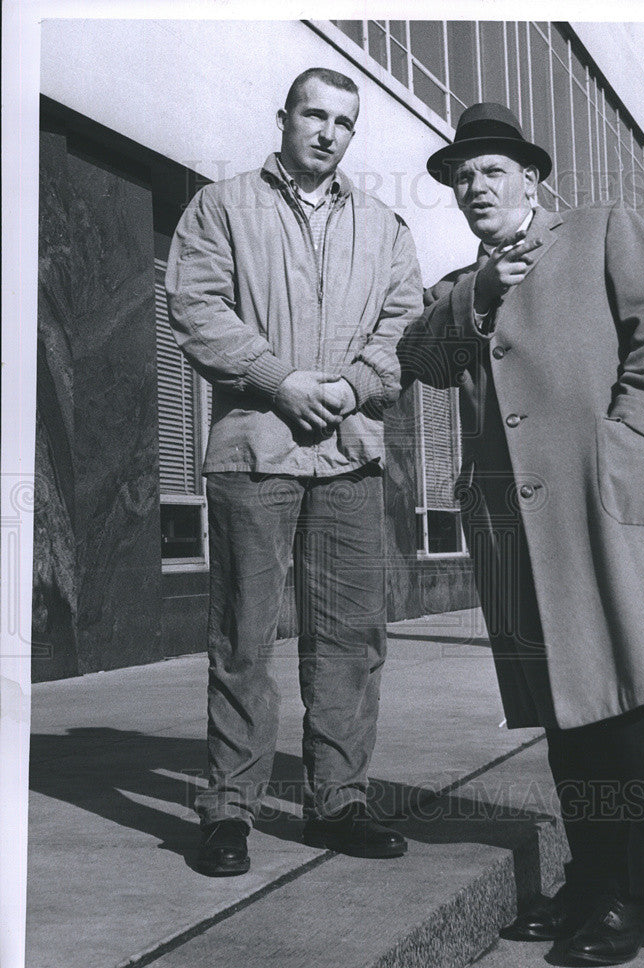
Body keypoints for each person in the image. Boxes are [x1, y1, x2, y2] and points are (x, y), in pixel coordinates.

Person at [398, 103, 644, 966]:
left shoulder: (604, 229)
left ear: (530, 179)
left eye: (490, 171)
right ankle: (589, 876)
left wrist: (623, 442)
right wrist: (479, 292)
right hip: (519, 528)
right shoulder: (464, 283)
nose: (473, 186)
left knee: (622, 703)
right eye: (461, 177)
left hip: (600, 505)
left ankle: (630, 894)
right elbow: (419, 359)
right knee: (566, 713)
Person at [166, 68, 422, 876]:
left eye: (343, 123)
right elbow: (196, 308)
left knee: (350, 638)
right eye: (314, 114)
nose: (327, 132)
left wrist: (349, 387)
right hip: (255, 448)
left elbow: (404, 326)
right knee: (243, 636)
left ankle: (338, 800)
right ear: (283, 118)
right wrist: (282, 381)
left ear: (352, 135)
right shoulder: (221, 206)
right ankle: (229, 810)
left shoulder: (383, 226)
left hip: (347, 454)